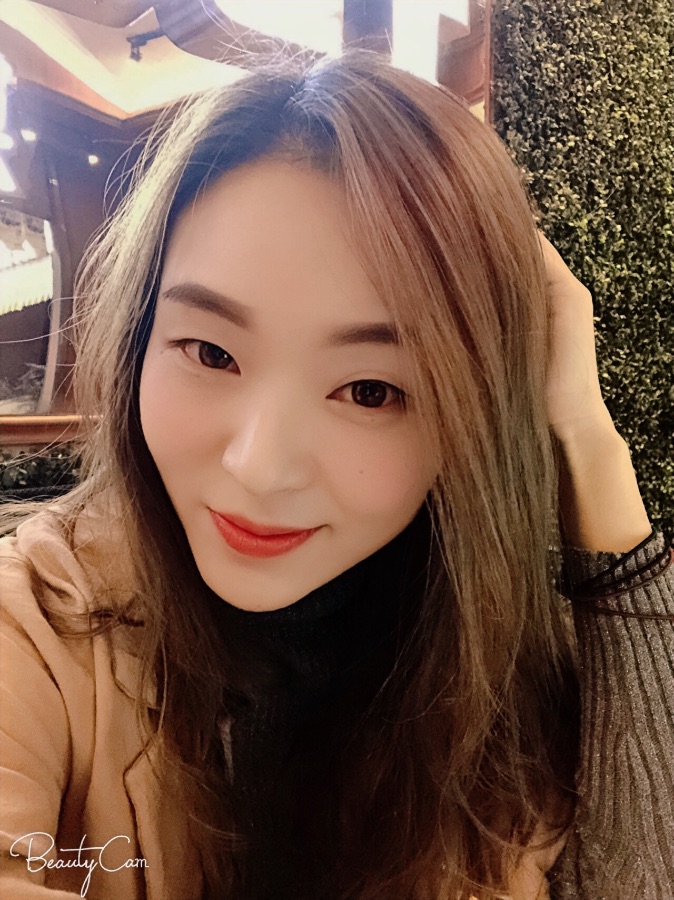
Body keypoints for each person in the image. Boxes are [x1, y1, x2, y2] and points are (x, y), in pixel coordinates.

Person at [0, 52, 672, 900]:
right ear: (140, 338)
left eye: (370, 390)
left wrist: (589, 440)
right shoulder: (37, 621)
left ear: (471, 420)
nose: (259, 466)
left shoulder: (497, 689)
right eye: (210, 352)